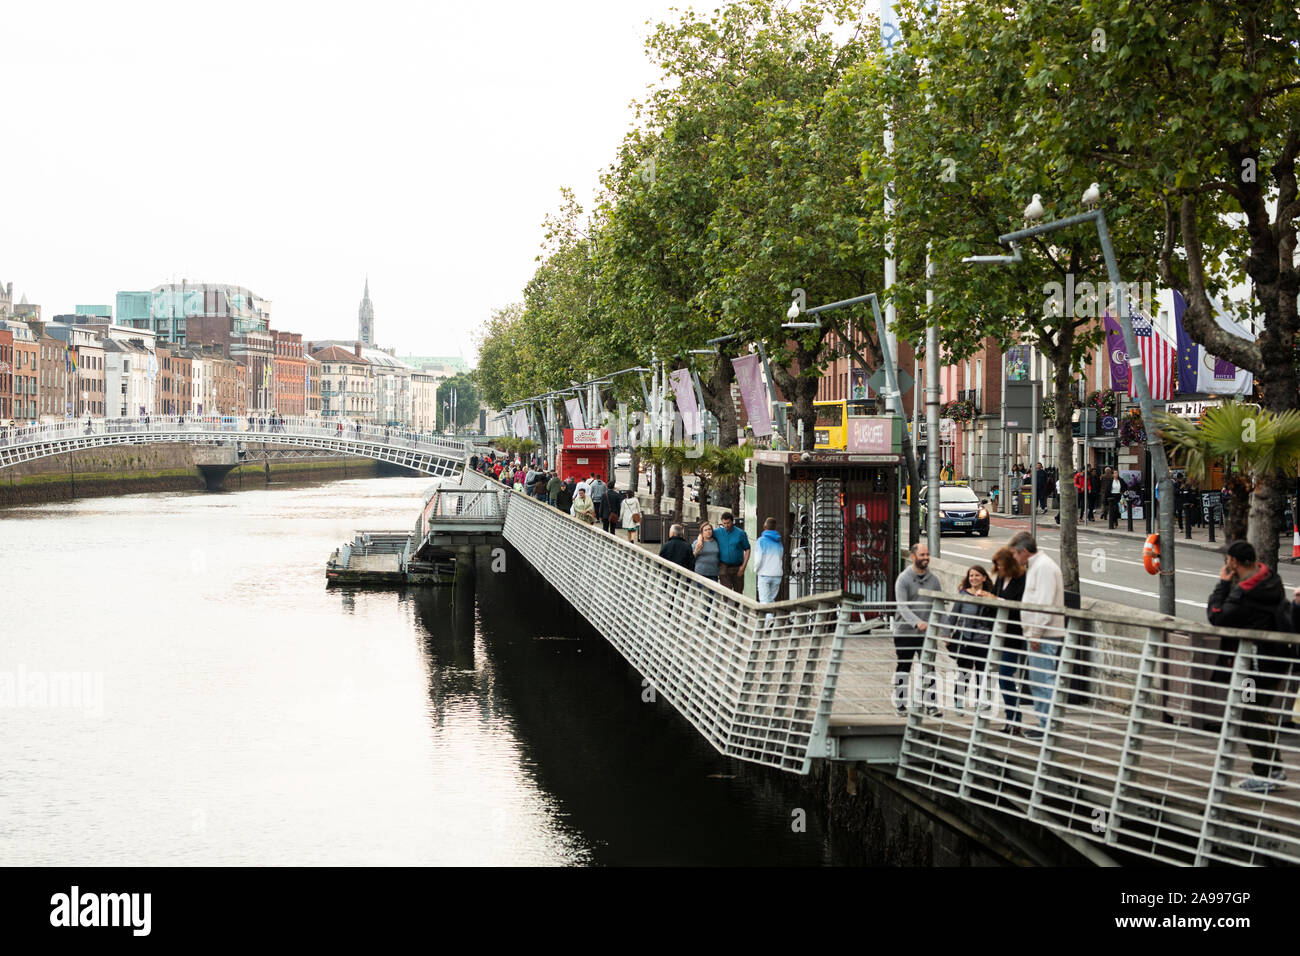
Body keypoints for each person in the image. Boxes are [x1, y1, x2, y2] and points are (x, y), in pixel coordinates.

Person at [1206, 540, 1297, 792]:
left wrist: (1222, 584)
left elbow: (1217, 616)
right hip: (1274, 660)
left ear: (1234, 562)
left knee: (1249, 713)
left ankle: (1265, 772)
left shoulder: (1244, 592)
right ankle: (1273, 768)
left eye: (1228, 559)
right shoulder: (1270, 579)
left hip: (1254, 666)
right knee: (1258, 712)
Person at [1009, 532, 1064, 740]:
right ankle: (1044, 723)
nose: (1014, 558)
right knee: (1038, 680)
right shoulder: (1037, 566)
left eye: (1015, 554)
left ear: (1024, 552)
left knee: (1043, 680)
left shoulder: (1043, 568)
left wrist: (1035, 633)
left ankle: (1047, 726)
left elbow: (1043, 603)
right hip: (1040, 634)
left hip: (1044, 635)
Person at [894, 543, 943, 718]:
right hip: (905, 632)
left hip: (926, 634)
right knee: (904, 667)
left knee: (928, 667)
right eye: (922, 555)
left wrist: (945, 632)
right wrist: (917, 623)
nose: (926, 558)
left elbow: (940, 606)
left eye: (927, 555)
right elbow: (902, 606)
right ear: (913, 557)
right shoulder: (903, 579)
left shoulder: (934, 580)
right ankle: (900, 704)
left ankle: (930, 704)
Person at [944, 565, 998, 714]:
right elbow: (953, 616)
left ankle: (981, 703)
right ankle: (958, 702)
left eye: (977, 575)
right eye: (971, 576)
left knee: (983, 673)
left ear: (984, 578)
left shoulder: (990, 596)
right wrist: (946, 633)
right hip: (966, 640)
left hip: (984, 641)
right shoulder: (963, 595)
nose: (974, 578)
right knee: (964, 673)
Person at [990, 546, 1028, 735]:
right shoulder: (1000, 578)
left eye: (1001, 566)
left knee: (1005, 675)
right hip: (1000, 634)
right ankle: (1011, 720)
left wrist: (996, 600)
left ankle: (1015, 720)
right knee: (1003, 677)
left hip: (1016, 634)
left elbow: (1020, 606)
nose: (999, 569)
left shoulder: (1022, 579)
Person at [714, 511, 751, 594]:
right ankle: (727, 606)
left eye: (728, 523)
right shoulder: (718, 532)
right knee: (726, 593)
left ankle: (736, 607)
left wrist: (743, 567)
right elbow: (705, 532)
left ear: (732, 522)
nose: (726, 525)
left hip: (738, 567)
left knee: (738, 592)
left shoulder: (741, 533)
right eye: (724, 523)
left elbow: (748, 549)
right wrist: (700, 540)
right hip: (724, 567)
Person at [753, 517, 784, 603]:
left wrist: (755, 569)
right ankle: (771, 616)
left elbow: (758, 559)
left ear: (764, 526)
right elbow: (780, 556)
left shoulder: (761, 541)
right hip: (777, 574)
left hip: (764, 574)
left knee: (764, 601)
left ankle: (768, 617)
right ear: (775, 527)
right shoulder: (779, 541)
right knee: (771, 601)